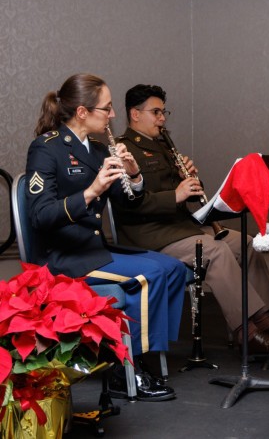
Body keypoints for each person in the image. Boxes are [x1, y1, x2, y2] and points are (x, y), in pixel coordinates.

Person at [26, 73, 187, 402]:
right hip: (65, 256)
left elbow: (128, 200)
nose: (113, 115)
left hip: (95, 248)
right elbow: (40, 215)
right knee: (150, 275)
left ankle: (150, 349)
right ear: (83, 112)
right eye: (107, 108)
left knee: (174, 268)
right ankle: (126, 369)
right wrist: (90, 192)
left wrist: (134, 174)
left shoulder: (98, 149)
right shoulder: (46, 149)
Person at [113, 84, 269, 357]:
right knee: (214, 250)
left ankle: (265, 323)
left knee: (245, 243)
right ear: (134, 114)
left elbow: (189, 192)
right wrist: (176, 195)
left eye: (163, 111)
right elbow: (130, 204)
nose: (162, 118)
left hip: (180, 228)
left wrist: (190, 179)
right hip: (149, 235)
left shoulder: (163, 145)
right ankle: (247, 334)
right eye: (156, 112)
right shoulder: (124, 150)